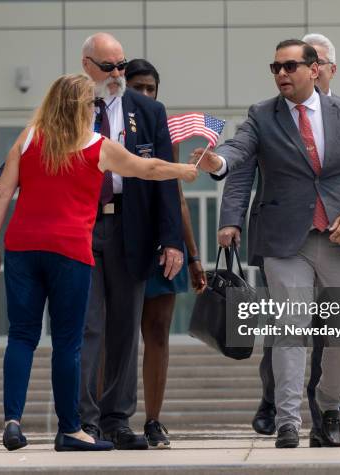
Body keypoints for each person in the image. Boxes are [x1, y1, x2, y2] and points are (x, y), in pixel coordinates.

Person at [0, 32, 184, 450]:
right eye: (109, 67)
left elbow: (159, 174)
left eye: (122, 65)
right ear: (87, 64)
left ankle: (118, 418)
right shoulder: (62, 112)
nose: (119, 74)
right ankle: (83, 420)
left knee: (123, 327)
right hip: (76, 233)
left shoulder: (148, 110)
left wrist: (172, 239)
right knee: (85, 328)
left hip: (127, 228)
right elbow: (20, 169)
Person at [219, 32, 340, 446]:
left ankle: (327, 410)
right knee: (289, 328)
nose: (282, 74)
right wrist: (217, 163)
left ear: (316, 69)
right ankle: (287, 420)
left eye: (291, 66)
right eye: (276, 68)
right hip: (286, 241)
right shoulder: (262, 115)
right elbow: (238, 157)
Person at [125, 58, 207, 448]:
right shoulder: (108, 129)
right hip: (119, 243)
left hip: (164, 247)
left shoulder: (163, 131)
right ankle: (111, 417)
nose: (143, 95)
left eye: (150, 89)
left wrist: (192, 255)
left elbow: (177, 197)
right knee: (117, 336)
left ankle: (154, 420)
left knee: (157, 333)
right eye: (136, 88)